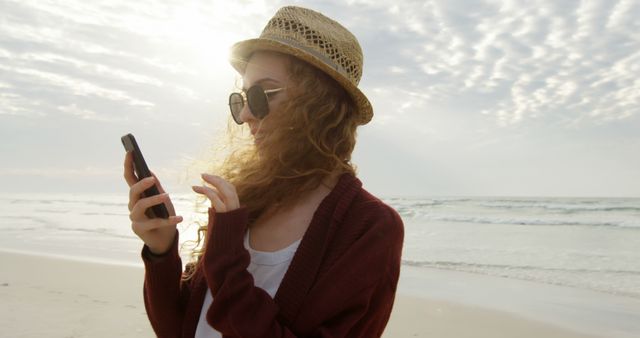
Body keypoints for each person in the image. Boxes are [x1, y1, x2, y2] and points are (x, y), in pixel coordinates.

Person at [123, 5, 404, 338]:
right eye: (240, 98)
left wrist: (227, 262)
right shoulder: (248, 200)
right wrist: (161, 250)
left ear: (319, 104)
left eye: (260, 94)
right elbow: (180, 329)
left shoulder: (370, 228)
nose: (244, 115)